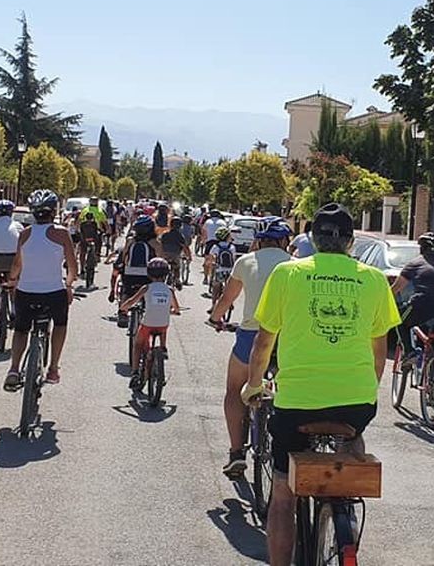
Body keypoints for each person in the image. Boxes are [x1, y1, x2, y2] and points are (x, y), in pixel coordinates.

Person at [242, 204, 399, 566]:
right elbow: (380, 354)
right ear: (351, 242)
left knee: (283, 490)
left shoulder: (288, 273)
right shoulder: (373, 279)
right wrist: (364, 390)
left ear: (312, 239)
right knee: (352, 439)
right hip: (356, 402)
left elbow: (264, 344)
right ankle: (345, 522)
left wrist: (253, 386)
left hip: (296, 403)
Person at [209, 216, 292, 477]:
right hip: (287, 337)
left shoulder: (245, 262)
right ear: (285, 242)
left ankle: (236, 453)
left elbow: (227, 298)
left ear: (259, 240)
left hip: (251, 335)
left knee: (234, 390)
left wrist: (215, 317)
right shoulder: (296, 265)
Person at [3, 189, 80, 389]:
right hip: (54, 292)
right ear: (54, 211)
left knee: (21, 330)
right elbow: (72, 266)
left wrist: (12, 279)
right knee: (60, 325)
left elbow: (17, 265)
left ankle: (13, 369)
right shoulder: (62, 233)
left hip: (26, 293)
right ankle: (53, 368)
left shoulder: (24, 234)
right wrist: (69, 285)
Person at [391, 232, 434, 366]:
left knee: (400, 322)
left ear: (421, 248)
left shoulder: (416, 263)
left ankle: (409, 352)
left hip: (422, 305)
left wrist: (385, 300)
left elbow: (396, 288)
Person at [120, 258, 180, 391]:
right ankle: (163, 348)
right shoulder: (169, 290)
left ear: (149, 274)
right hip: (163, 325)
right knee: (163, 325)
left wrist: (123, 307)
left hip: (148, 324)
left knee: (137, 345)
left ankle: (135, 373)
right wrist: (174, 311)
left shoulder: (146, 288)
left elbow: (132, 300)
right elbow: (176, 308)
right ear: (166, 274)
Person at [111, 215, 163, 328]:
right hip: (148, 274)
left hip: (130, 273)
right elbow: (161, 258)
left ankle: (123, 313)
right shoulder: (154, 242)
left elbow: (125, 255)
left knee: (126, 291)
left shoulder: (131, 240)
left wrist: (122, 267)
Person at [159, 217, 190, 289]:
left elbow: (159, 243)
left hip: (164, 254)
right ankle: (177, 280)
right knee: (177, 268)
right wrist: (189, 256)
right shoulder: (180, 236)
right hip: (175, 254)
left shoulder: (165, 234)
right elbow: (185, 247)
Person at [76, 208, 106, 282]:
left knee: (82, 253)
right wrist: (102, 231)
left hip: (84, 241)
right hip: (93, 241)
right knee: (97, 247)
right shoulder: (94, 223)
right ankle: (96, 256)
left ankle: (82, 268)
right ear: (92, 218)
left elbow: (80, 231)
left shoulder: (82, 224)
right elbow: (98, 231)